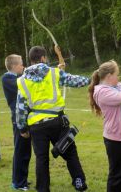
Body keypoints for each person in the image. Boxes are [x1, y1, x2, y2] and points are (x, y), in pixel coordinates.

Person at [16, 46, 89, 192]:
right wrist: (92, 79)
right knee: (70, 153)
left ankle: (43, 189)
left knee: (41, 159)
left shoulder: (22, 80)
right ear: (43, 58)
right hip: (58, 123)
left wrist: (22, 128)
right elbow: (75, 81)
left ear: (30, 60)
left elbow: (21, 107)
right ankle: (79, 182)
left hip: (37, 126)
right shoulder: (54, 73)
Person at [88, 60, 121, 192]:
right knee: (117, 174)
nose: (118, 77)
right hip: (114, 139)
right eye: (117, 74)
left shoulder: (116, 85)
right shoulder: (101, 91)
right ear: (109, 76)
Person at [2, 54, 31, 191]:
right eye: (21, 64)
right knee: (20, 150)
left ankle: (22, 179)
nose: (23, 66)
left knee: (26, 150)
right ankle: (18, 183)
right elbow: (22, 83)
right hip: (17, 119)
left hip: (24, 117)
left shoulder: (19, 77)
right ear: (13, 66)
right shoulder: (7, 78)